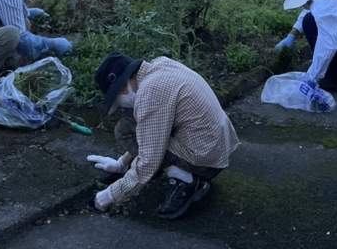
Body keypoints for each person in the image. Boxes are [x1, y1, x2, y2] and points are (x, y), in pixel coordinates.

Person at [87, 52, 239, 220]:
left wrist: (109, 195)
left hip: (205, 158)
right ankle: (171, 171)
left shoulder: (150, 94)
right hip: (217, 145)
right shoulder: (161, 65)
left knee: (130, 135)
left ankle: (186, 180)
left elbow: (149, 159)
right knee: (127, 126)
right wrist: (122, 164)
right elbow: (150, 133)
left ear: (123, 87)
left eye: (117, 100)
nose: (121, 105)